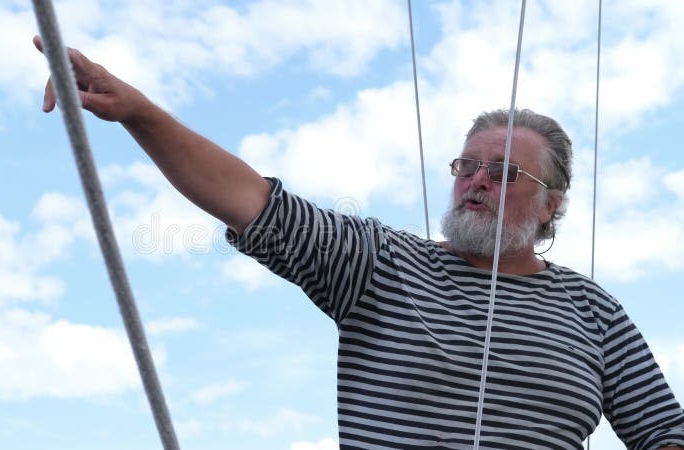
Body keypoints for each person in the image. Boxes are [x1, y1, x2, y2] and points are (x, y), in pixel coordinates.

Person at [34, 36, 684, 450]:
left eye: (504, 172)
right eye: (467, 166)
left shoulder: (594, 312)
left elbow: (664, 433)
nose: (477, 182)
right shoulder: (381, 264)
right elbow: (252, 201)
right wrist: (141, 113)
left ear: (552, 203)